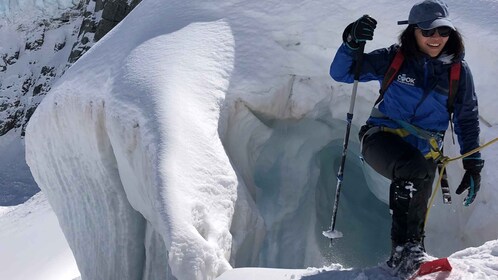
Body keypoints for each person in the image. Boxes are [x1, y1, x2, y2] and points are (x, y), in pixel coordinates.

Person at [329, 0, 484, 277]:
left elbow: (466, 118)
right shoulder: (394, 58)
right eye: (427, 31)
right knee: (414, 168)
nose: (436, 38)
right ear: (412, 31)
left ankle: (412, 258)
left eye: (443, 31)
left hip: (424, 153)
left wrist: (473, 164)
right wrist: (352, 42)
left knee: (418, 184)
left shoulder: (458, 72)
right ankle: (405, 255)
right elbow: (341, 72)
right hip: (380, 139)